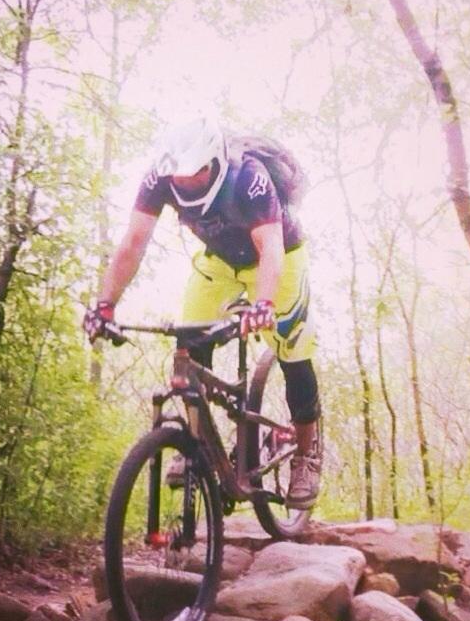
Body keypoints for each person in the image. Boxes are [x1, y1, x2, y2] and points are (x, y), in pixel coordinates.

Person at [83, 113, 322, 509]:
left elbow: (272, 250)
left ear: (212, 163)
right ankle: (197, 445)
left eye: (193, 173)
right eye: (178, 174)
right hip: (219, 261)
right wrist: (104, 304)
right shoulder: (160, 177)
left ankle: (305, 453)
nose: (183, 181)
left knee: (292, 349)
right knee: (189, 341)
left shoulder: (247, 177)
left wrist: (263, 305)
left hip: (278, 256)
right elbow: (133, 243)